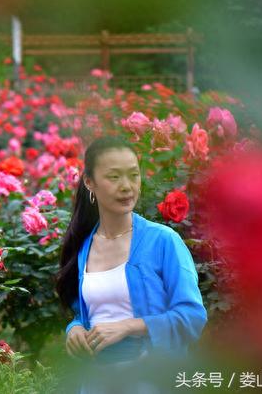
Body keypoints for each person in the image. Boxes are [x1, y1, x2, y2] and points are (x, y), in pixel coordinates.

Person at [55, 136, 207, 393]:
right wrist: (75, 329)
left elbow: (192, 318)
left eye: (133, 175)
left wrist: (130, 327)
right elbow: (89, 313)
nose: (127, 186)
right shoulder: (84, 248)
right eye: (114, 177)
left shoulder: (163, 241)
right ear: (90, 182)